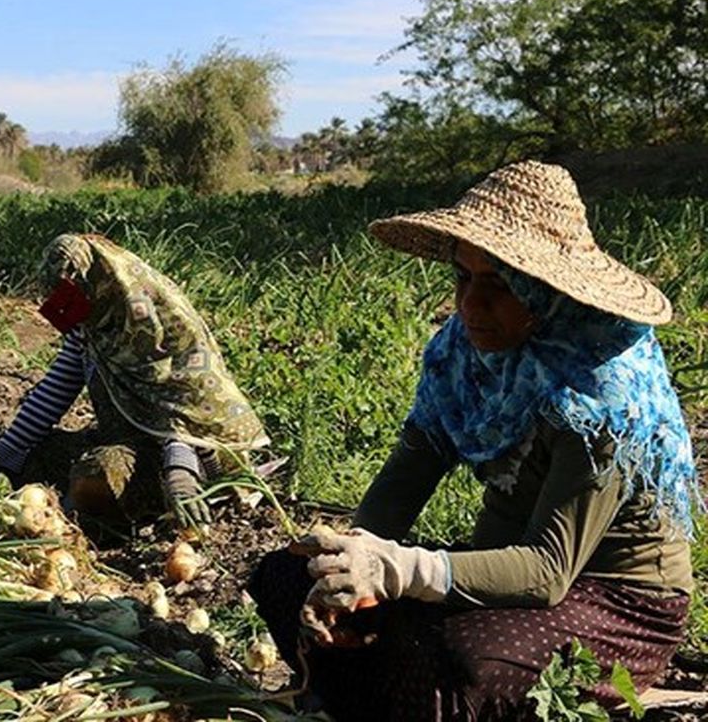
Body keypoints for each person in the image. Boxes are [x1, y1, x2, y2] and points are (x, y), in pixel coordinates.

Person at [248, 162, 697, 720]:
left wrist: (397, 569)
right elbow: (406, 477)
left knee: (469, 664)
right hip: (502, 575)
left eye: (499, 285)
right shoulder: (463, 356)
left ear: (546, 291)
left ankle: (381, 696)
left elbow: (547, 571)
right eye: (463, 278)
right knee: (288, 578)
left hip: (614, 599)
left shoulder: (603, 390)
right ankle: (375, 697)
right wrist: (353, 564)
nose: (469, 305)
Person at [0, 233, 269, 529]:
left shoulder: (158, 325)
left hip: (187, 454)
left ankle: (108, 513)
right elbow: (56, 388)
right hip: (127, 441)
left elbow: (181, 411)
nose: (67, 311)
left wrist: (181, 474)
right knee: (34, 454)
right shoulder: (93, 323)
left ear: (98, 283)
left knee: (100, 472)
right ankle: (86, 507)